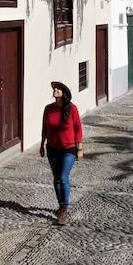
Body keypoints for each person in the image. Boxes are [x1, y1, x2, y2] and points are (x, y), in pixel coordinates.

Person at [40, 81, 83, 225]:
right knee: (56, 178)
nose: (55, 90)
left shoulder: (72, 108)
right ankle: (61, 206)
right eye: (54, 88)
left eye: (58, 88)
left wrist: (80, 148)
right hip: (52, 149)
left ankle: (64, 208)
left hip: (68, 149)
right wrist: (42, 144)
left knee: (63, 177)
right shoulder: (48, 109)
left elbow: (78, 128)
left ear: (64, 93)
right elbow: (44, 128)